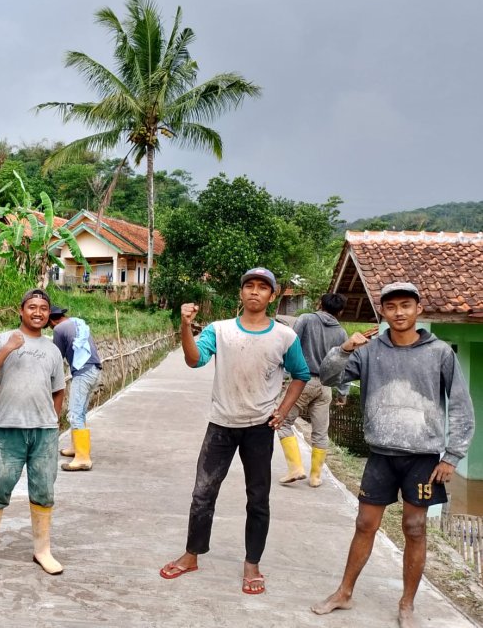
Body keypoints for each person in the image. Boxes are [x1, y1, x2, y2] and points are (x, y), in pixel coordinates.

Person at [312, 281, 474, 628]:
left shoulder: (440, 353)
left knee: (415, 528)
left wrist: (452, 456)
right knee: (364, 524)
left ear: (417, 309)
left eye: (405, 305)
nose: (398, 312)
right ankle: (344, 592)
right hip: (381, 454)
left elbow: (461, 407)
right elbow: (327, 377)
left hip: (423, 457)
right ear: (382, 312)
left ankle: (407, 603)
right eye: (391, 307)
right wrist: (344, 348)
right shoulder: (369, 351)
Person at [160, 267, 311, 595]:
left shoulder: (284, 336)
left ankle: (252, 564)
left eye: (262, 287)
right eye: (249, 286)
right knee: (203, 494)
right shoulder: (221, 330)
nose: (255, 292)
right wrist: (185, 327)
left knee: (258, 498)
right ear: (240, 293)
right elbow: (195, 360)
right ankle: (192, 555)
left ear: (272, 296)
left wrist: (283, 411)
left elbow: (301, 374)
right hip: (221, 425)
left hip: (259, 428)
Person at [0, 288, 66, 586]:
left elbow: (58, 389)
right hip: (8, 429)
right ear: (21, 310)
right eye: (32, 307)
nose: (37, 312)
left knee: (44, 491)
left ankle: (43, 550)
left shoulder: (53, 349)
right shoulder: (3, 339)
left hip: (44, 433)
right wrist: (8, 349)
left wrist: (51, 419)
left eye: (43, 308)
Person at [277, 293, 350, 487]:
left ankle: (295, 468)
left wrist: (283, 376)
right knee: (320, 433)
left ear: (319, 304)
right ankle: (316, 477)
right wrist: (343, 392)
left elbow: (291, 346)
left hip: (303, 381)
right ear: (340, 312)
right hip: (326, 387)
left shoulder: (306, 319)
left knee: (282, 423)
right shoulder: (342, 333)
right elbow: (344, 363)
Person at [48, 306, 102, 471]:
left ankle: (83, 458)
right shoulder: (77, 323)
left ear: (52, 320)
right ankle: (76, 448)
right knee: (80, 412)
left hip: (83, 373)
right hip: (95, 370)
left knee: (74, 414)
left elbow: (56, 356)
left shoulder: (58, 328)